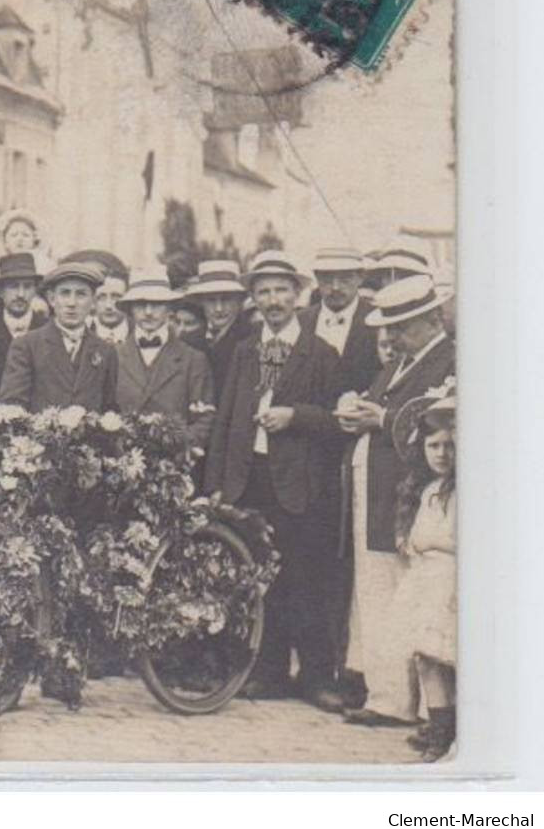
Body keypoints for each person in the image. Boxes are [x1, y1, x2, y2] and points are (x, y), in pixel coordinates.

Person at [203, 251, 345, 711]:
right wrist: (218, 483)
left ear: (299, 294)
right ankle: (269, 672)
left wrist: (294, 416)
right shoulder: (245, 350)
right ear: (254, 299)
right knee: (259, 578)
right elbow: (226, 418)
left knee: (306, 580)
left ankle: (318, 676)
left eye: (281, 290)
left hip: (300, 486)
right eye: (263, 292)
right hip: (251, 480)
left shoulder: (321, 352)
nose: (273, 300)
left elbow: (335, 422)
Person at [334, 275, 455, 727]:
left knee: (412, 593)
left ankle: (424, 706)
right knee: (378, 591)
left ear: (428, 320)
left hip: (411, 497)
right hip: (377, 491)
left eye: (400, 327)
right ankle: (386, 696)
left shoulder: (447, 360)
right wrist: (357, 414)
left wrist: (381, 417)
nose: (391, 337)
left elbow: (439, 427)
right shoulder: (401, 363)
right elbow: (379, 405)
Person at [385, 393, 457, 761]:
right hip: (426, 581)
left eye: (449, 446)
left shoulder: (461, 493)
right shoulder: (427, 490)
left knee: (449, 657)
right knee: (425, 657)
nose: (441, 454)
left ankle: (452, 730)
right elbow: (417, 535)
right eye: (434, 446)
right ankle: (440, 727)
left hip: (451, 582)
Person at [112, 269, 215, 450]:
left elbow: (205, 419)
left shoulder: (193, 359)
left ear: (170, 308)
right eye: (141, 304)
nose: (149, 312)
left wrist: (177, 448)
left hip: (175, 464)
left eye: (157, 304)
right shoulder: (113, 356)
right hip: (122, 465)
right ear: (130, 309)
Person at [0, 261, 118, 413]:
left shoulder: (105, 350)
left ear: (93, 301)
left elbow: (109, 408)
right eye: (65, 293)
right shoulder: (27, 345)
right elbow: (11, 406)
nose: (72, 303)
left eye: (81, 294)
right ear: (52, 299)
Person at [303, 246, 381, 398]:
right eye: (327, 279)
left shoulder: (378, 321)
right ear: (317, 278)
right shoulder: (299, 322)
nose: (335, 287)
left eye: (345, 279)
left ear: (360, 278)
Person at [187, 258, 258, 397]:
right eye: (211, 300)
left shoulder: (254, 338)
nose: (219, 308)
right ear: (201, 302)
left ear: (239, 300)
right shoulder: (188, 342)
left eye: (226, 299)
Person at [0, 252, 47, 374]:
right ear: (0, 292)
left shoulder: (48, 329)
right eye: (13, 286)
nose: (20, 294)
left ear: (35, 291)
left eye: (27, 287)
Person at [91, 270, 130, 346]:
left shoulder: (140, 334)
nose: (108, 306)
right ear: (93, 301)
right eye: (101, 297)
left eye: (116, 297)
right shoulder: (81, 336)